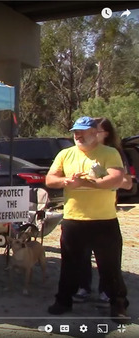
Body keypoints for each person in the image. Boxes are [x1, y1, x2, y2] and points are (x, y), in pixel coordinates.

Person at [46, 116, 130, 325]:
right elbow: (50, 179)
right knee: (70, 265)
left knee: (110, 266)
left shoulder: (109, 153)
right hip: (74, 219)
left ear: (95, 133)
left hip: (104, 220)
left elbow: (116, 178)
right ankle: (63, 301)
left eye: (83, 132)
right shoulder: (65, 154)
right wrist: (66, 181)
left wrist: (88, 183)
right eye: (75, 132)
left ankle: (118, 304)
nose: (78, 135)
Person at [73, 117, 134, 306]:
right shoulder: (79, 153)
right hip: (80, 212)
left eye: (95, 131)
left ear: (105, 133)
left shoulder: (114, 154)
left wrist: (104, 176)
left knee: (106, 256)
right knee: (81, 254)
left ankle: (107, 291)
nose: (89, 134)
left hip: (104, 212)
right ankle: (83, 287)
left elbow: (127, 183)